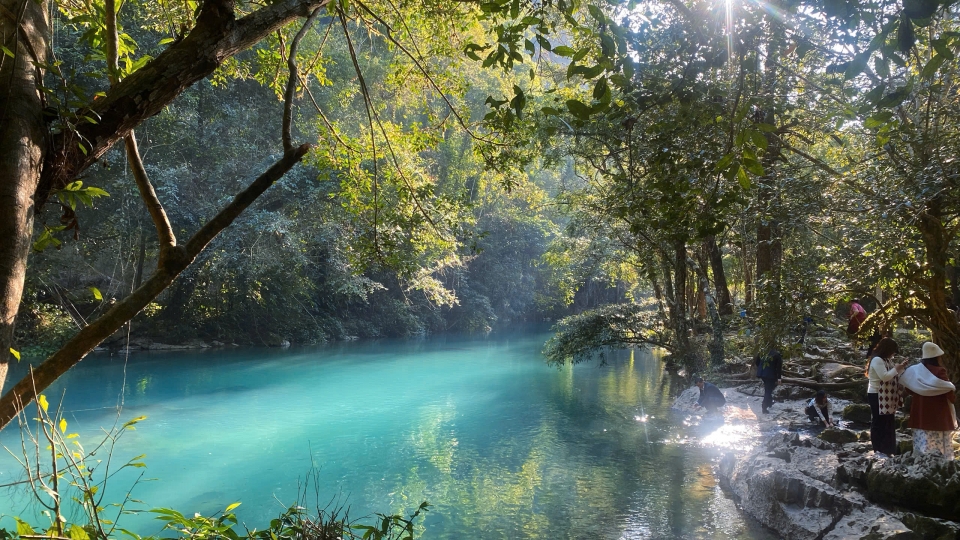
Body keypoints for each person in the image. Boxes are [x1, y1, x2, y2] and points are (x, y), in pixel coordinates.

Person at [900, 342, 957, 460]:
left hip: (920, 411)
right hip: (938, 413)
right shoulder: (940, 371)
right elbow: (947, 389)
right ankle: (940, 463)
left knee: (923, 438)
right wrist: (953, 400)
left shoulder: (915, 371)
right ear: (937, 357)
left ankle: (922, 461)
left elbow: (909, 389)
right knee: (939, 440)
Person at [865, 337, 908, 455]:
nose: (894, 353)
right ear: (887, 349)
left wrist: (901, 368)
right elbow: (884, 376)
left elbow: (892, 374)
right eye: (893, 351)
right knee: (878, 421)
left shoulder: (887, 360)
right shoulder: (877, 360)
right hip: (876, 394)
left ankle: (888, 449)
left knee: (888, 421)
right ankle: (878, 448)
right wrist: (897, 369)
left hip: (887, 395)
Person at [755, 348, 783, 414]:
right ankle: (764, 407)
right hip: (770, 375)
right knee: (768, 390)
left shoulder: (764, 352)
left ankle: (769, 403)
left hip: (762, 374)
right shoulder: (777, 355)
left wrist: (761, 368)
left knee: (768, 389)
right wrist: (779, 379)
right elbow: (779, 368)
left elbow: (757, 362)